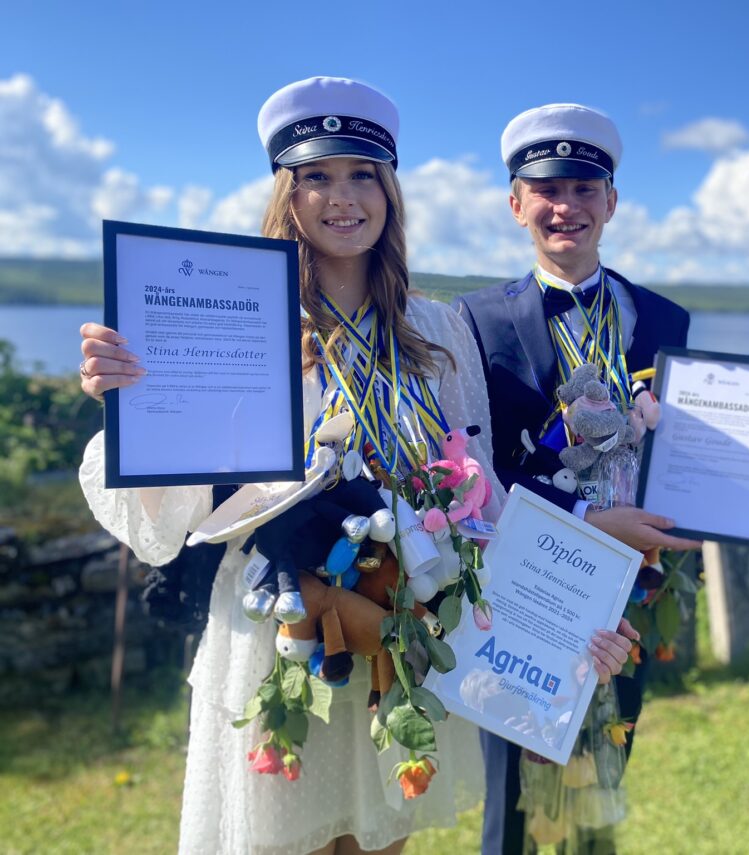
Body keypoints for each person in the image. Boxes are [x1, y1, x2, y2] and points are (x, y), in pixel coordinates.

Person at [77, 78, 633, 855]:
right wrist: (129, 397)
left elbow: (485, 497)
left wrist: (577, 613)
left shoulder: (437, 329)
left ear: (390, 192)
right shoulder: (238, 321)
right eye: (318, 177)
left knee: (380, 842)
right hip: (277, 627)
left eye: (363, 175)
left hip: (400, 625)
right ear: (287, 193)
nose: (344, 198)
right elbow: (162, 509)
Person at [454, 103, 749, 854]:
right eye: (546, 188)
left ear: (611, 202)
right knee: (512, 800)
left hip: (635, 585)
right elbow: (476, 468)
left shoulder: (662, 318)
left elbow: (688, 443)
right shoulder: (473, 320)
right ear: (516, 203)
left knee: (604, 774)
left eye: (585, 187)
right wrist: (581, 516)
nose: (565, 206)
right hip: (528, 582)